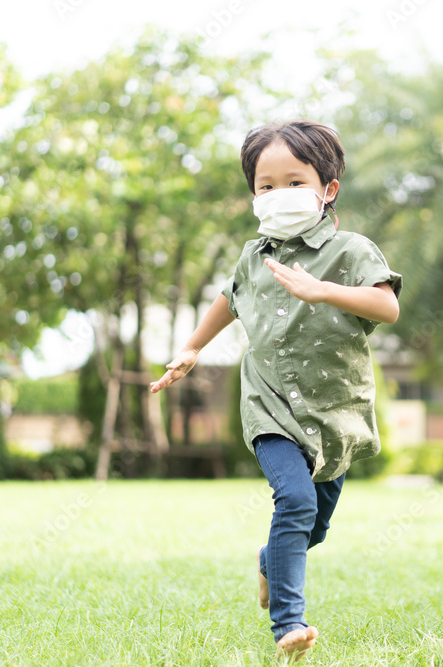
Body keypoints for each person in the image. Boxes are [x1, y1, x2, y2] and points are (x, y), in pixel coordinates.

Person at [150, 120, 400, 660]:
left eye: (294, 182)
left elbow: (388, 306)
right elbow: (227, 298)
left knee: (315, 524)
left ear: (327, 189)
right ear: (253, 194)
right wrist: (192, 348)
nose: (278, 195)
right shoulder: (251, 255)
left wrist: (325, 290)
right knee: (294, 499)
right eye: (266, 186)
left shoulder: (352, 250)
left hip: (336, 412)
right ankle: (288, 622)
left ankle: (270, 561)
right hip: (270, 407)